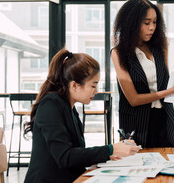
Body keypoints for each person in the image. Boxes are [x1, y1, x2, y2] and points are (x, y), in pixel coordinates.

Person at [24, 48, 141, 183]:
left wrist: (110, 154)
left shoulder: (69, 107)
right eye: (93, 85)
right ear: (74, 85)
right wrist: (111, 149)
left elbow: (76, 154)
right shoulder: (50, 105)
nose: (96, 91)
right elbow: (65, 157)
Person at [111, 0, 174, 148]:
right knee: (139, 168)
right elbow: (133, 99)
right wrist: (171, 91)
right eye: (146, 23)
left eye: (154, 22)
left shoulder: (161, 46)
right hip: (137, 124)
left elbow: (163, 81)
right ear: (131, 23)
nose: (152, 27)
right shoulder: (118, 53)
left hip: (164, 119)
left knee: (167, 166)